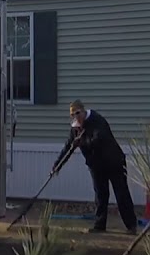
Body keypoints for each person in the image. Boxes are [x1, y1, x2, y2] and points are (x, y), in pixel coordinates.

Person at [52, 100, 138, 234]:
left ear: (83, 111)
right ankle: (99, 225)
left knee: (121, 193)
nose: (76, 117)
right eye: (72, 115)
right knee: (100, 195)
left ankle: (131, 226)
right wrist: (57, 166)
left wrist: (82, 142)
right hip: (96, 165)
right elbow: (68, 147)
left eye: (77, 113)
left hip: (113, 162)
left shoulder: (97, 120)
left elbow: (99, 139)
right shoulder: (75, 128)